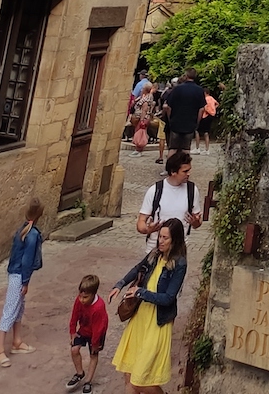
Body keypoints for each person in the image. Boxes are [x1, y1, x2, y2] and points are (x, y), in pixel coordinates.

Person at [109, 217, 187, 394]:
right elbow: (138, 268)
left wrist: (140, 292)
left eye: (165, 238)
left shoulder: (179, 264)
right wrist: (119, 285)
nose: (160, 241)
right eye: (160, 236)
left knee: (139, 382)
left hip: (158, 321)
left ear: (174, 240)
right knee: (128, 374)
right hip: (141, 316)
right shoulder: (155, 254)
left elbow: (168, 298)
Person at [0, 197, 43, 366]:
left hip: (14, 274)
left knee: (19, 308)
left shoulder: (22, 230)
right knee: (10, 309)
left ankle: (17, 341)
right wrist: (26, 281)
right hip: (19, 276)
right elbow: (27, 261)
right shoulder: (33, 234)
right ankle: (0, 350)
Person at [136, 151, 203, 250]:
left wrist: (195, 222)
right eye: (185, 171)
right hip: (155, 249)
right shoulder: (155, 190)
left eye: (189, 170)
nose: (189, 174)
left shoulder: (192, 190)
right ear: (173, 172)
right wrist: (148, 229)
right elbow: (141, 222)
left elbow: (197, 222)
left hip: (179, 250)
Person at [67, 272, 108, 391]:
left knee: (93, 355)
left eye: (85, 297)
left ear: (93, 294)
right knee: (74, 349)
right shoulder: (79, 300)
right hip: (84, 329)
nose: (82, 300)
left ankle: (88, 381)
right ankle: (80, 373)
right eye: (80, 296)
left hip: (97, 333)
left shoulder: (98, 307)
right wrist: (72, 331)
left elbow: (98, 328)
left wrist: (95, 343)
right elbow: (74, 315)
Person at [159, 67, 207, 154]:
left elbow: (168, 106)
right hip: (190, 123)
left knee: (173, 148)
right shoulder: (199, 90)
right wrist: (197, 122)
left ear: (186, 75)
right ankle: (184, 166)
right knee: (186, 148)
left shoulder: (177, 89)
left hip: (176, 122)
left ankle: (171, 166)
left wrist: (171, 119)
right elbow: (202, 109)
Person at [196, 87, 218, 153]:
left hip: (205, 115)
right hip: (211, 116)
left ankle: (197, 148)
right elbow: (217, 103)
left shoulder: (205, 99)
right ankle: (207, 149)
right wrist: (213, 109)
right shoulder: (211, 98)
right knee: (206, 132)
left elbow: (204, 107)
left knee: (197, 131)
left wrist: (207, 110)